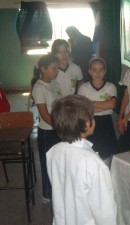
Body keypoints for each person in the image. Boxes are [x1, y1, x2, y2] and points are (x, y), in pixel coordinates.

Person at [47, 95, 117, 225]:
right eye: (93, 116)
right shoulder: (95, 164)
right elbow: (105, 212)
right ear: (87, 124)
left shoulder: (53, 151)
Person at [31, 54, 62, 203]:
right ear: (43, 69)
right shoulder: (39, 88)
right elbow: (44, 115)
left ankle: (58, 189)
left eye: (57, 68)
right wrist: (60, 128)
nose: (57, 71)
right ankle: (47, 194)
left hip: (57, 129)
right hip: (47, 132)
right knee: (47, 163)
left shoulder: (55, 84)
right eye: (54, 68)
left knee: (57, 162)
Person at [78, 57, 118, 167]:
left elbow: (112, 105)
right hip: (89, 123)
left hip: (106, 124)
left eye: (101, 70)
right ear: (89, 71)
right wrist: (104, 105)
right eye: (94, 70)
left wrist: (90, 103)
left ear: (105, 71)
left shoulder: (111, 86)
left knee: (106, 157)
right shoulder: (83, 88)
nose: (98, 73)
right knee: (90, 157)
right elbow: (83, 108)